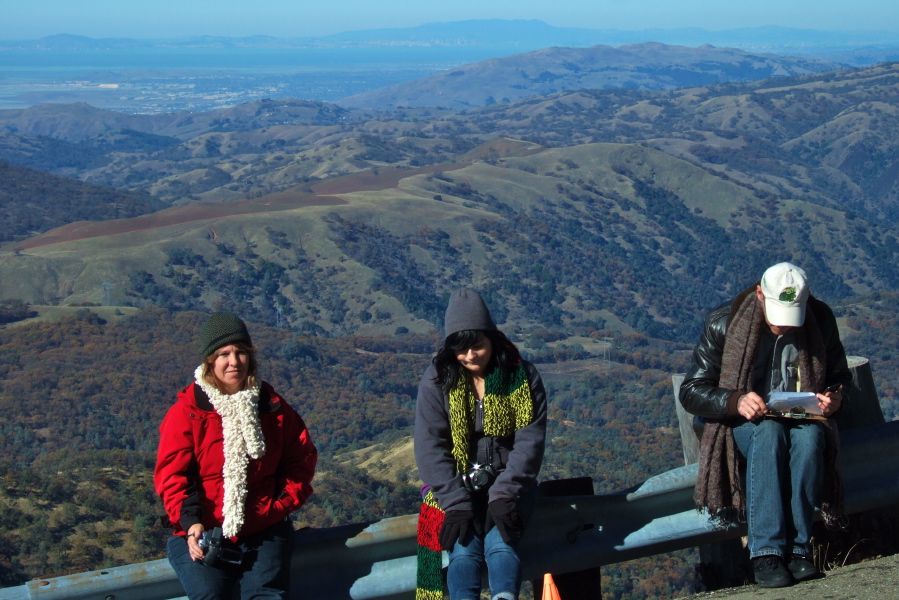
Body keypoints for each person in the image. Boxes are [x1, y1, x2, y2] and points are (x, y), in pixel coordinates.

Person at [679, 263, 851, 588]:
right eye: (778, 317)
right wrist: (735, 400)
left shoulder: (820, 319)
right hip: (745, 421)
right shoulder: (724, 323)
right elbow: (692, 390)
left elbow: (840, 377)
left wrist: (835, 398)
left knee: (811, 436)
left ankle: (800, 550)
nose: (785, 327)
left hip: (801, 416)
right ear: (760, 294)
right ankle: (766, 552)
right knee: (769, 434)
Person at [155, 312, 318, 599]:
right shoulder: (188, 413)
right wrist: (191, 521)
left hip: (263, 527)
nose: (234, 361)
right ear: (210, 361)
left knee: (266, 596)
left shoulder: (272, 408)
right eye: (224, 354)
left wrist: (277, 506)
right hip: (202, 530)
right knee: (210, 595)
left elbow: (301, 458)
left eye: (241, 352)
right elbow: (173, 476)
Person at [414, 289, 547, 600]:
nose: (470, 356)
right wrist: (456, 503)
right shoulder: (437, 380)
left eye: (477, 346)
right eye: (461, 350)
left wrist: (505, 494)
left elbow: (530, 440)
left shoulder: (522, 377)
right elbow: (429, 444)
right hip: (454, 487)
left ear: (492, 340)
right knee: (463, 550)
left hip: (510, 483)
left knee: (502, 541)